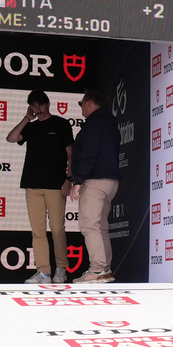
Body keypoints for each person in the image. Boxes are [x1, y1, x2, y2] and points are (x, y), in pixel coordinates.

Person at [7, 89, 74, 284]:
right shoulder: (32, 126)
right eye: (34, 106)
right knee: (37, 230)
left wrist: (69, 178)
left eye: (41, 105)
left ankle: (61, 268)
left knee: (57, 229)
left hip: (55, 184)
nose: (38, 109)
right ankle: (43, 271)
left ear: (48, 104)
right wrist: (26, 118)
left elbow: (72, 152)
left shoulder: (61, 124)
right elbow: (11, 138)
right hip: (32, 184)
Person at [69, 88, 120, 284]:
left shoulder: (94, 124)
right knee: (101, 227)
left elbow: (88, 154)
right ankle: (104, 269)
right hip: (110, 182)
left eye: (82, 104)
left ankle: (97, 269)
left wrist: (78, 180)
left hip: (95, 180)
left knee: (89, 225)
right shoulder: (110, 124)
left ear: (89, 103)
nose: (81, 108)